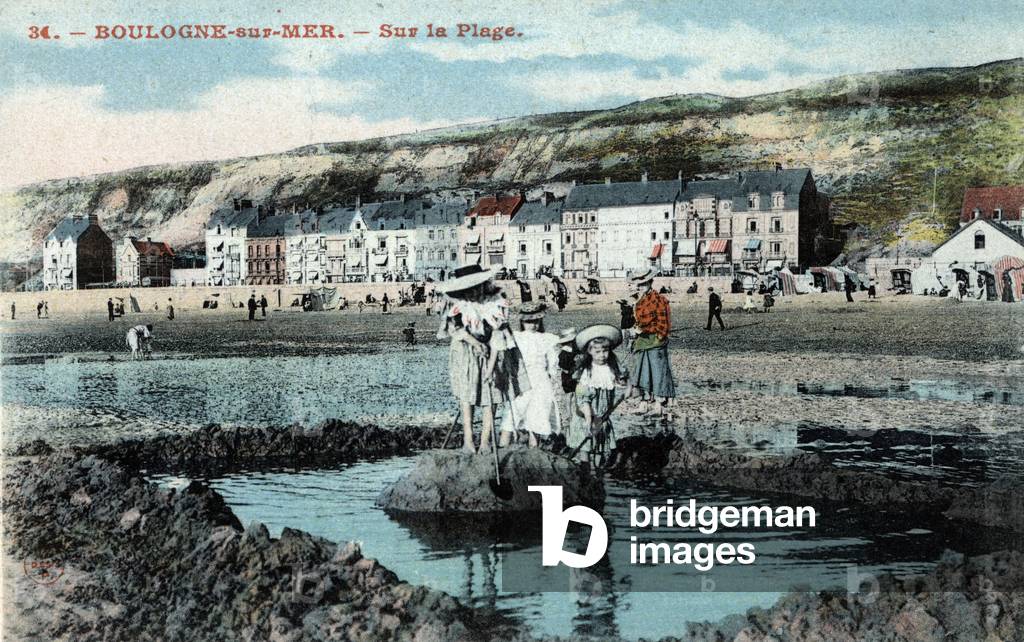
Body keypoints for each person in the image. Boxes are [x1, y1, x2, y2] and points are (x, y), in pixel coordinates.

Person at [436, 264, 529, 454]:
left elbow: (500, 334)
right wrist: (474, 343)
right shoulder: (456, 304)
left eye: (478, 286)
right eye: (469, 288)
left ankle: (486, 440)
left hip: (494, 349)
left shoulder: (497, 302)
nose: (474, 291)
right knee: (467, 394)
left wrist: (491, 363)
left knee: (490, 393)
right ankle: (468, 439)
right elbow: (455, 329)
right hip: (465, 351)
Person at [568, 324, 630, 466]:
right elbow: (583, 400)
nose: (602, 355)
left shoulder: (611, 368)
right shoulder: (586, 373)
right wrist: (589, 420)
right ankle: (585, 472)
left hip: (603, 416)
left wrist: (628, 389)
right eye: (597, 352)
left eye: (605, 351)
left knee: (599, 448)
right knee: (586, 447)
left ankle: (597, 474)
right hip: (586, 415)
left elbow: (625, 379)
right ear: (589, 351)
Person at [499, 302, 560, 448]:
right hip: (521, 378)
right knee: (513, 411)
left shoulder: (547, 338)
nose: (532, 325)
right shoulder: (516, 337)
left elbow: (552, 360)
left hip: (540, 379)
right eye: (528, 322)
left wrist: (551, 374)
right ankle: (503, 447)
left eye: (535, 322)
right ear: (522, 321)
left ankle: (534, 449)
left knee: (537, 413)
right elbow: (507, 355)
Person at [628, 269, 676, 416]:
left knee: (658, 372)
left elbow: (663, 326)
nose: (640, 287)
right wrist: (636, 330)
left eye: (643, 284)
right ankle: (643, 403)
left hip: (656, 341)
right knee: (641, 371)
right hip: (642, 342)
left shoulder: (659, 300)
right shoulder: (638, 301)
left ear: (650, 283)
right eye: (639, 284)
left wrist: (644, 330)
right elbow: (638, 322)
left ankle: (659, 405)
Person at [555, 327, 579, 437]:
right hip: (568, 376)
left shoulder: (574, 350)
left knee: (573, 394)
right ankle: (569, 413)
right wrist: (572, 369)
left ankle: (572, 412)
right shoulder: (564, 353)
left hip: (573, 375)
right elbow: (563, 366)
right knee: (569, 394)